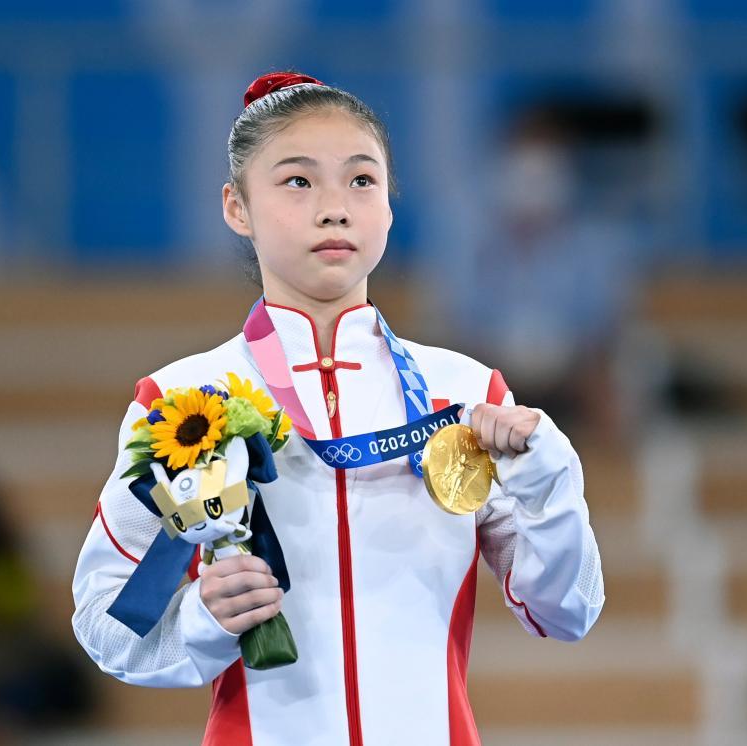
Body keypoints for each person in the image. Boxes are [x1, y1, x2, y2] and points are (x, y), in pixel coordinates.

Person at [71, 71, 605, 746]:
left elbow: (565, 613)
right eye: (297, 181)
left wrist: (548, 481)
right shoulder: (183, 403)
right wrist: (202, 623)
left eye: (361, 181)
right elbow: (107, 621)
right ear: (237, 207)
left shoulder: (464, 395)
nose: (335, 208)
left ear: (388, 205)